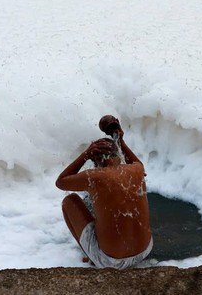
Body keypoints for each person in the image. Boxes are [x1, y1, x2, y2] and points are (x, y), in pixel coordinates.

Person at [55, 115, 153, 269]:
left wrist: (85, 154)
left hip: (111, 261)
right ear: (118, 154)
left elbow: (61, 182)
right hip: (145, 250)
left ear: (95, 161)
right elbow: (135, 161)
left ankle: (92, 257)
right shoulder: (137, 169)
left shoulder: (95, 176)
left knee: (70, 201)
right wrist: (120, 141)